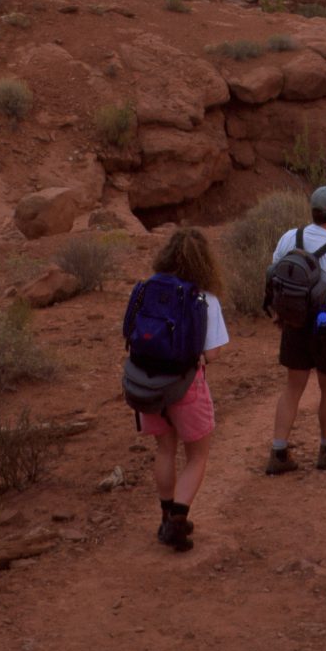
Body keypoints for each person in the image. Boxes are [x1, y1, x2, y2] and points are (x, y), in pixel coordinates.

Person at [127, 226, 229, 552]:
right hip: (186, 384)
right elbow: (211, 353)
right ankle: (178, 521)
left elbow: (129, 334)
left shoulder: (146, 289)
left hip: (146, 382)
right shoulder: (205, 298)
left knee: (165, 449)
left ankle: (165, 516)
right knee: (197, 455)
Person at [265, 183, 326, 474]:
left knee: (292, 388)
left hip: (295, 321)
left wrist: (277, 312)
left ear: (313, 211)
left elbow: (274, 275)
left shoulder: (290, 237)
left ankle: (279, 452)